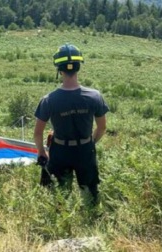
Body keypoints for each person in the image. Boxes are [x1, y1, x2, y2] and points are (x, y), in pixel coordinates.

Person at [34, 43, 109, 206]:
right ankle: (91, 224)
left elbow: (38, 133)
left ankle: (62, 227)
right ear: (78, 68)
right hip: (85, 150)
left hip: (60, 151)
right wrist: (90, 142)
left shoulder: (49, 100)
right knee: (90, 196)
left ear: (59, 70)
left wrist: (42, 152)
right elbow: (102, 127)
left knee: (60, 198)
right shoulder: (95, 96)